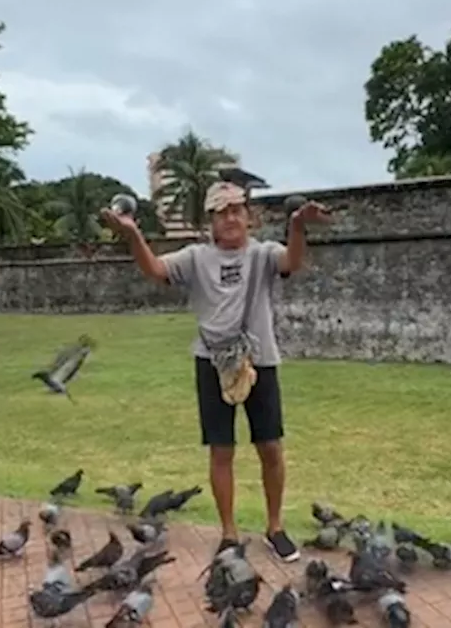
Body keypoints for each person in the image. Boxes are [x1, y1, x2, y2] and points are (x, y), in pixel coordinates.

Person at [101, 181, 331, 563]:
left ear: (250, 216)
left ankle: (275, 527)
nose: (230, 217)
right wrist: (133, 235)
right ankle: (228, 532)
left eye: (237, 209)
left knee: (270, 447)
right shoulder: (195, 258)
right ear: (211, 220)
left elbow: (292, 261)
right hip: (211, 362)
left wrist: (298, 226)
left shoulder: (262, 254)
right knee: (221, 450)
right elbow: (156, 269)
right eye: (222, 212)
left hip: (260, 361)